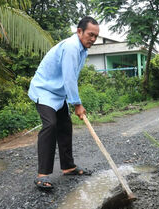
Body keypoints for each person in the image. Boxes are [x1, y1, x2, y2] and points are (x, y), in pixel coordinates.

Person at [28, 16, 99, 189]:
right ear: (79, 31)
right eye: (91, 34)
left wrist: (71, 100)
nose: (93, 39)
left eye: (96, 36)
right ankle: (42, 175)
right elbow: (69, 78)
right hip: (44, 90)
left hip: (58, 94)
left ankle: (68, 167)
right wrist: (77, 104)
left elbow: (70, 78)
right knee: (50, 125)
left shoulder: (82, 49)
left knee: (65, 126)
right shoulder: (71, 47)